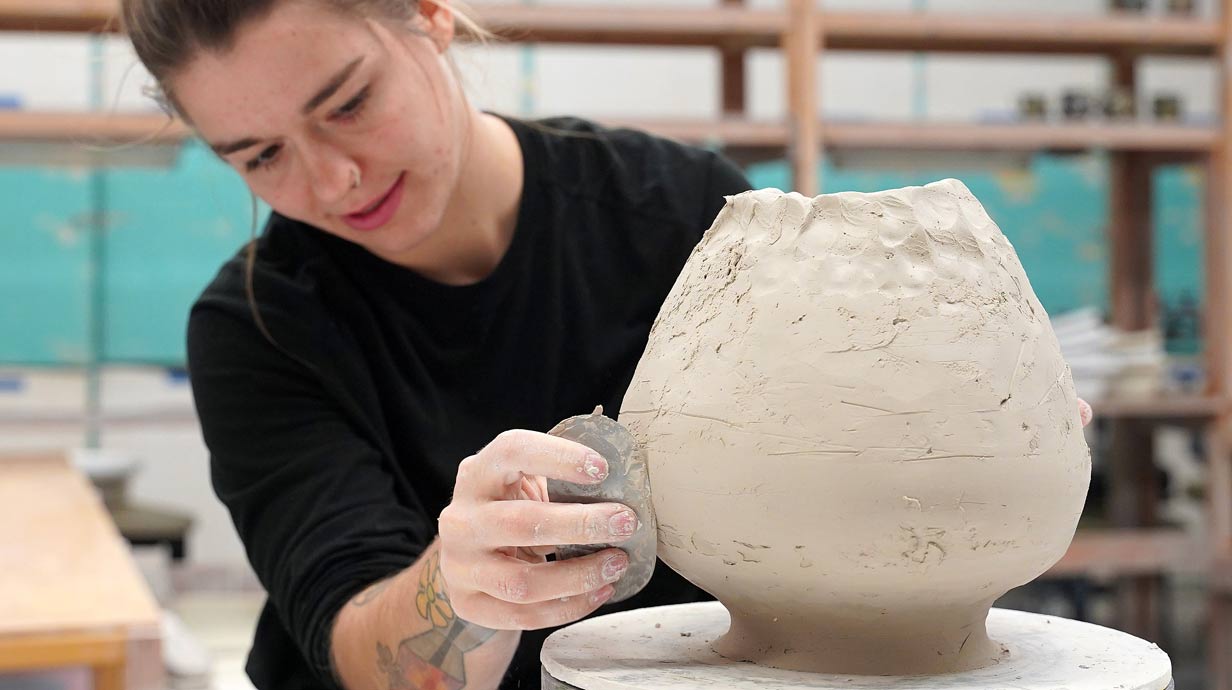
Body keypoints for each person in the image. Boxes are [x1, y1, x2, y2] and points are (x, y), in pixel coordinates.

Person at [120, 1, 1096, 689]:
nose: (330, 178)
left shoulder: (679, 217)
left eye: (346, 103)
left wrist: (968, 414)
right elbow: (372, 660)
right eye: (260, 157)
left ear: (427, 15)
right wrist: (460, 590)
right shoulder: (257, 324)